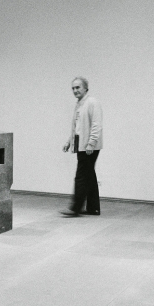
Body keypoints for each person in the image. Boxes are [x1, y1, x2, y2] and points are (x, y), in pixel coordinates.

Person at [60, 76, 103, 216]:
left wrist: (91, 143)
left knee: (81, 176)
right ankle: (93, 208)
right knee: (89, 176)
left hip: (89, 147)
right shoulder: (79, 104)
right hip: (81, 145)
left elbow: (97, 125)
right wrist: (69, 141)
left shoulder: (92, 102)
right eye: (73, 88)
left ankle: (75, 208)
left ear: (86, 88)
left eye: (78, 87)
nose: (75, 90)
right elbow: (77, 127)